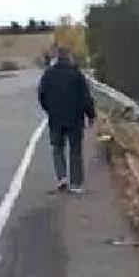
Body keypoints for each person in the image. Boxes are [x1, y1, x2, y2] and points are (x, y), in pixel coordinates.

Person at [38, 47, 96, 193]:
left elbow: (41, 95)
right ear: (69, 58)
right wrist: (91, 115)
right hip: (75, 119)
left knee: (57, 148)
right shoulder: (76, 74)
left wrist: (49, 110)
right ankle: (76, 183)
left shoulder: (48, 74)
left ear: (57, 58)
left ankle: (61, 177)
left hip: (56, 119)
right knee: (75, 150)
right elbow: (86, 98)